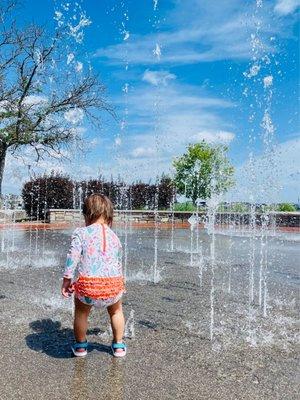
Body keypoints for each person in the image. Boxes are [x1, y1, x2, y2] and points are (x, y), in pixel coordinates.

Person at [61, 194, 126, 357]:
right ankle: (118, 345)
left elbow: (72, 257)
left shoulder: (81, 233)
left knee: (81, 312)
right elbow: (118, 262)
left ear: (87, 214)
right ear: (109, 215)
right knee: (116, 311)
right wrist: (120, 282)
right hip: (112, 286)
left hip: (88, 287)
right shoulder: (115, 237)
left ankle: (81, 346)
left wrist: (67, 279)